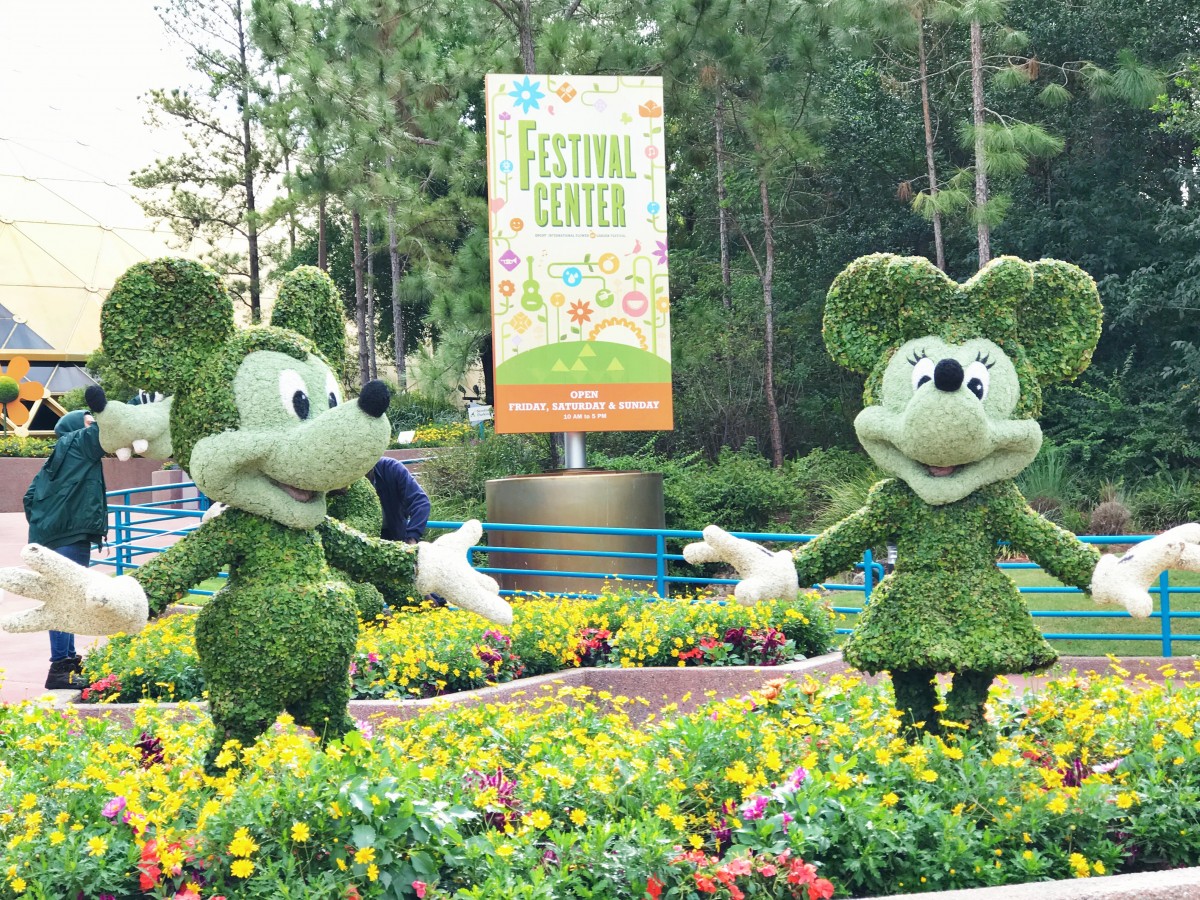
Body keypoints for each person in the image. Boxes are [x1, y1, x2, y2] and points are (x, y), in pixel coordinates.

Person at [24, 410, 107, 690]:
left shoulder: (56, 459)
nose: (93, 422)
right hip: (70, 535)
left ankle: (68, 661)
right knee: (65, 600)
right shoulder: (77, 442)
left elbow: (29, 498)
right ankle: (60, 668)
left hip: (54, 536)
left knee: (67, 598)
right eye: (88, 420)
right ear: (74, 428)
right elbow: (106, 429)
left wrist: (46, 525)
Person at [367, 456, 430, 544]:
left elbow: (420, 501)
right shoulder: (344, 474)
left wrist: (412, 537)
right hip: (357, 540)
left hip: (394, 535)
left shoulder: (391, 467)